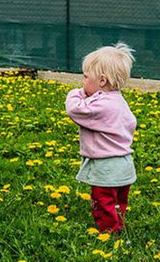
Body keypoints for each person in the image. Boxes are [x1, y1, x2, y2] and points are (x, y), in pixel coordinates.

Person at [65, 42, 137, 233]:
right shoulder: (119, 101)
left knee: (102, 201)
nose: (83, 82)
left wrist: (76, 93)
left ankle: (109, 231)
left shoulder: (101, 105)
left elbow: (75, 110)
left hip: (106, 166)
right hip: (124, 164)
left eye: (86, 77)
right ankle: (119, 224)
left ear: (102, 81)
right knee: (118, 201)